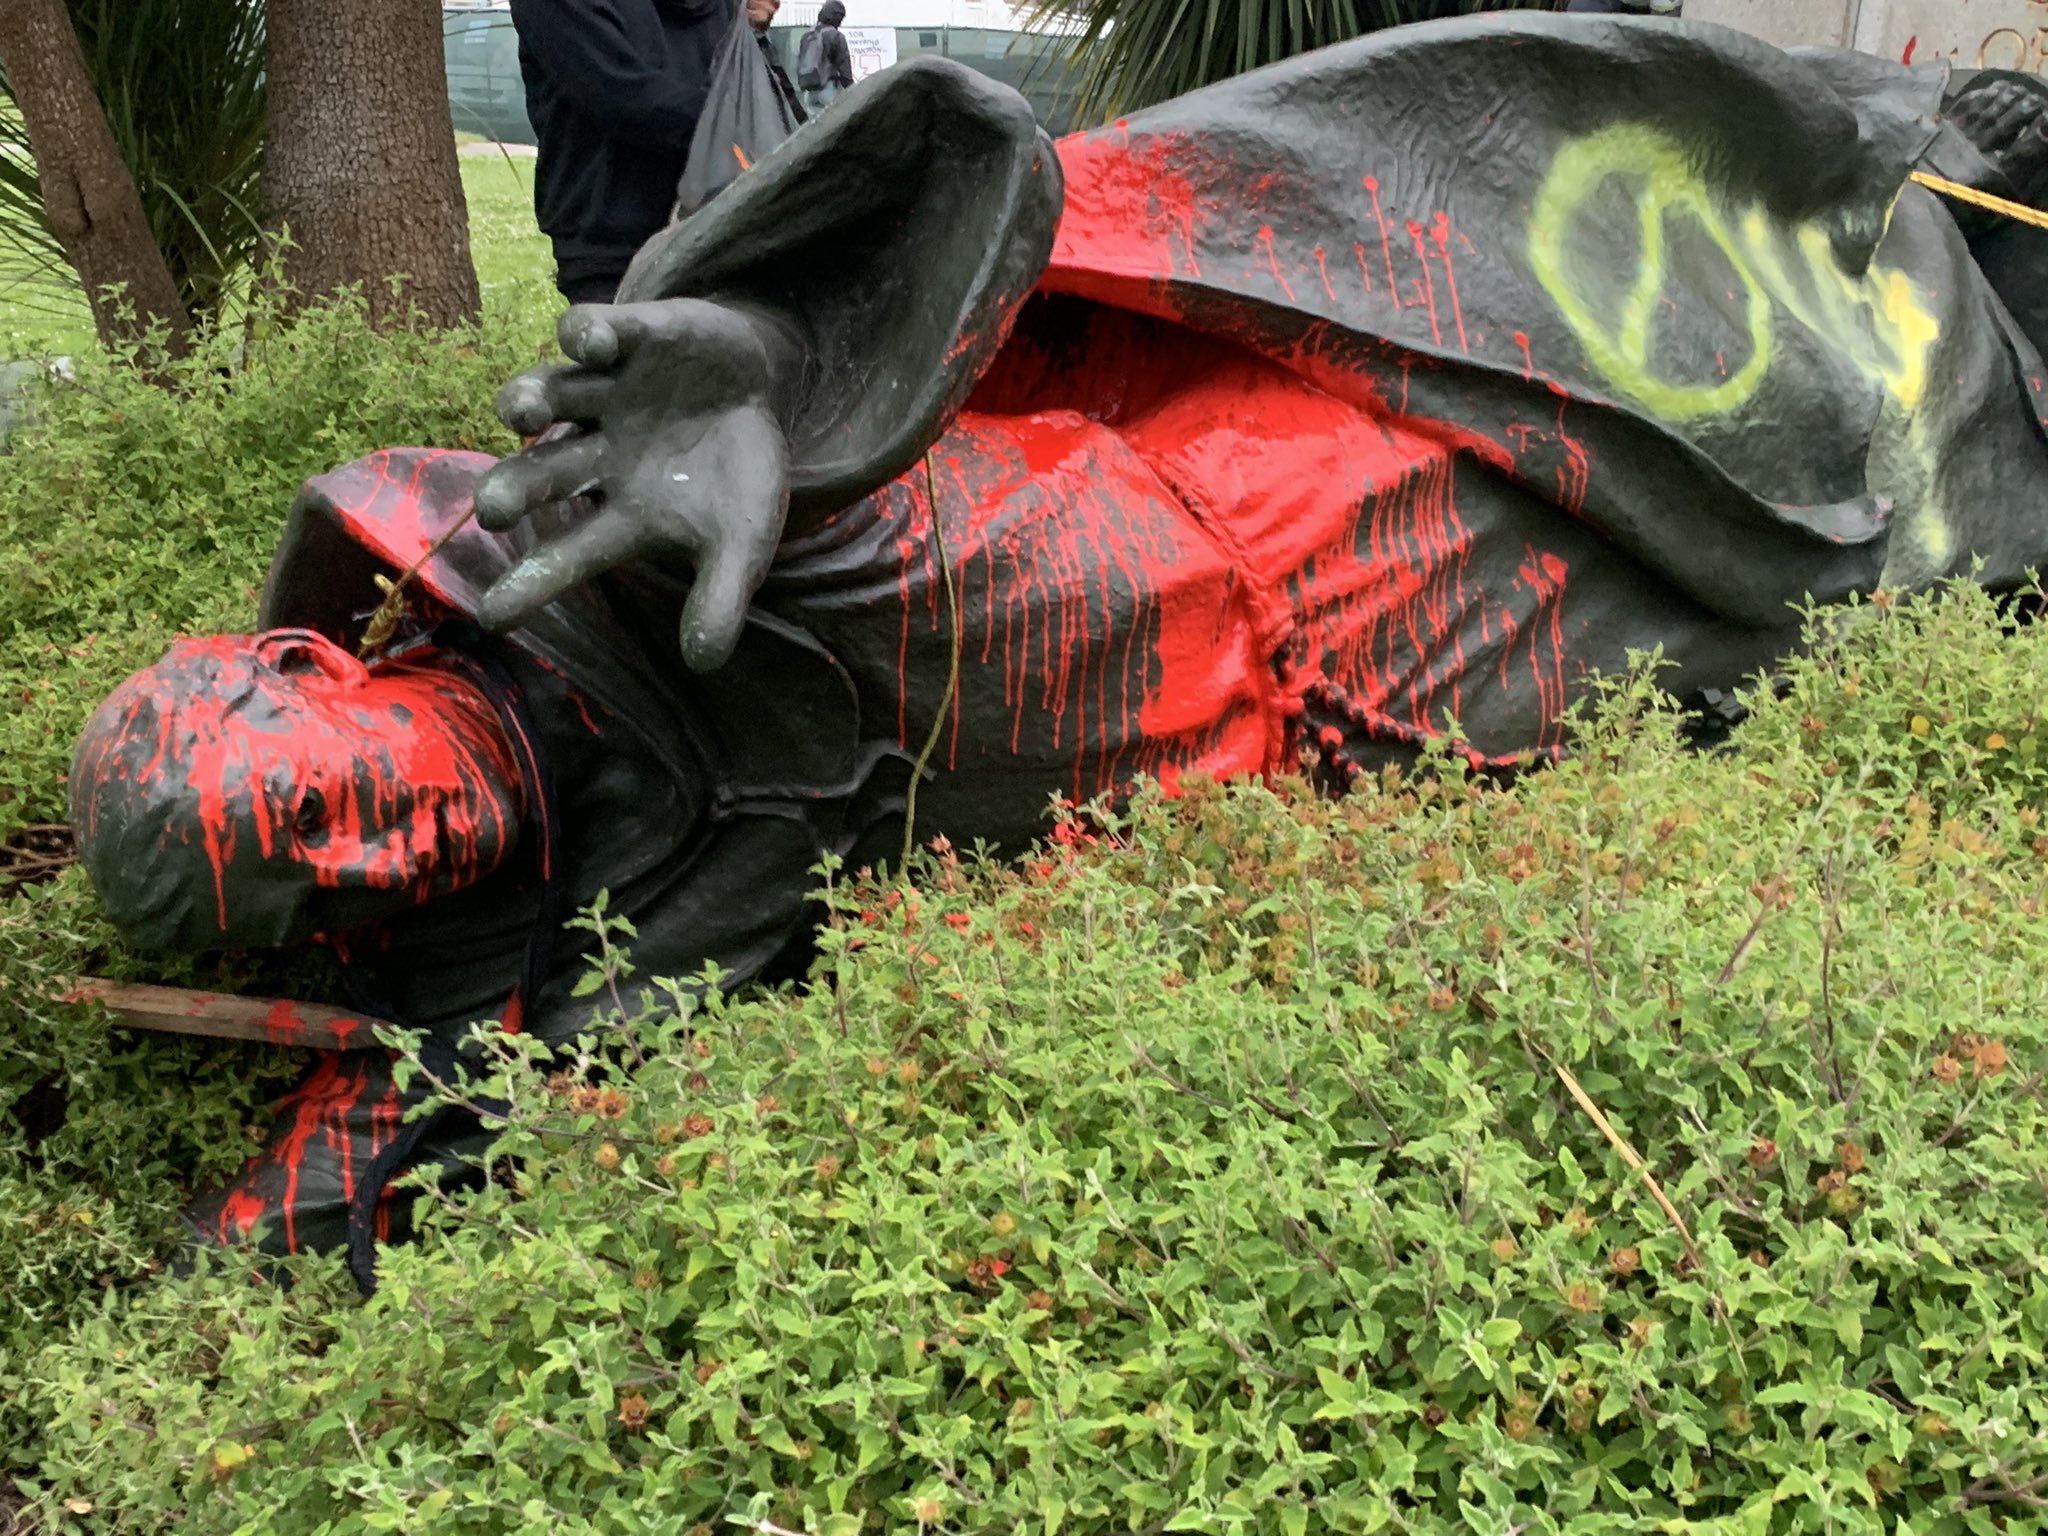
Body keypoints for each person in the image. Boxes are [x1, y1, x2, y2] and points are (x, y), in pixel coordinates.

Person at [70, 19, 2048, 1275]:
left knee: (1789, 411)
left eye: (320, 809)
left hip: (1301, 496)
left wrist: (772, 354)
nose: (378, 851)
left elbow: (958, 176)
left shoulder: (581, 545)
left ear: (317, 674)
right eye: (317, 886)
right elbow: (380, 1156)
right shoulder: (563, 944)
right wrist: (207, 1262)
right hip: (1364, 731)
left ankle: (1963, 232)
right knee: (1782, 623)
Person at [508, 0, 784, 305]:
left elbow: (623, 95)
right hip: (642, 245)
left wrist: (749, 34)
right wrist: (742, 120)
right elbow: (623, 99)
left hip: (691, 234)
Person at [797, 1, 855, 115]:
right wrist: (852, 90)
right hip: (829, 89)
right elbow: (845, 69)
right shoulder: (836, 36)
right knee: (839, 121)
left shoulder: (807, 35)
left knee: (816, 124)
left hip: (809, 92)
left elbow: (800, 61)